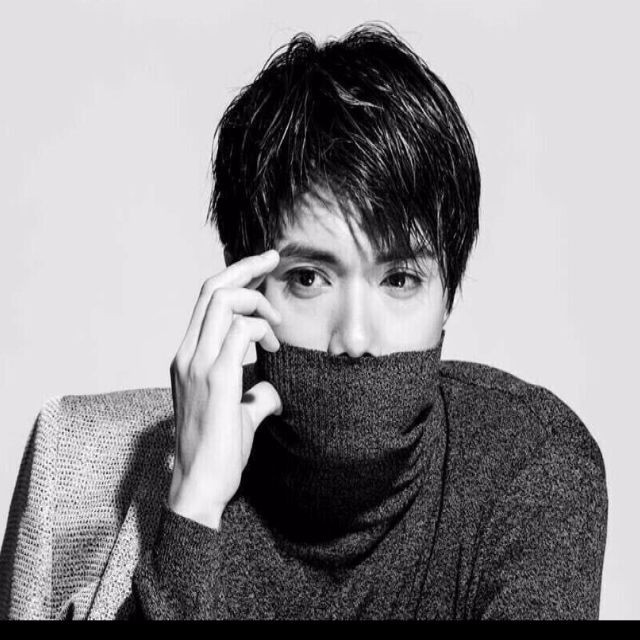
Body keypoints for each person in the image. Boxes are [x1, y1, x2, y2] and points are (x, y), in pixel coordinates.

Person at [0, 23, 607, 621]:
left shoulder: (529, 469)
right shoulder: (78, 473)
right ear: (245, 285)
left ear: (448, 295)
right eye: (310, 279)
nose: (356, 339)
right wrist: (191, 509)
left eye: (400, 280)